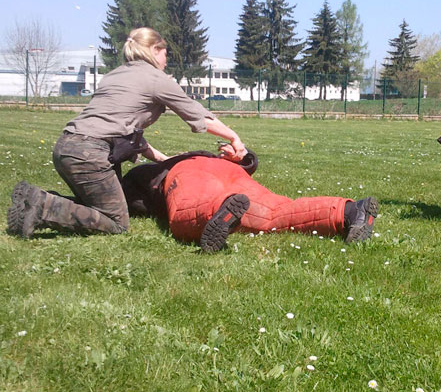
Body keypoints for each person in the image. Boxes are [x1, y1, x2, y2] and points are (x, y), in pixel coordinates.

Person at [7, 27, 247, 239]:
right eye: (165, 53)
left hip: (67, 147)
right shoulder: (155, 78)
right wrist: (234, 137)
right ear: (155, 49)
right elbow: (196, 114)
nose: (166, 59)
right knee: (116, 222)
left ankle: (35, 199)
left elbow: (127, 133)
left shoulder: (115, 75)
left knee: (97, 205)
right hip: (91, 154)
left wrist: (164, 160)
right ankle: (40, 206)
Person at [120, 147, 378, 252]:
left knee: (188, 209)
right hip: (232, 171)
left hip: (189, 174)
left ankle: (219, 211)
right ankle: (348, 211)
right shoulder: (219, 158)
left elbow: (127, 200)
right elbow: (249, 160)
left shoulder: (156, 170)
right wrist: (241, 158)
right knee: (276, 211)